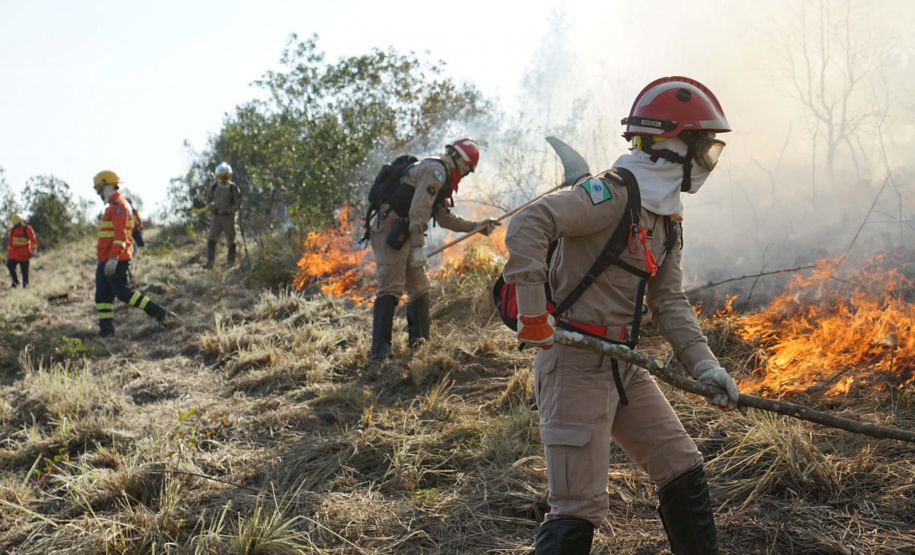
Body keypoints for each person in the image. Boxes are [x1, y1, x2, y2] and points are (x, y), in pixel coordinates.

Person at [503, 77, 740, 554]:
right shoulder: (609, 195)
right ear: (676, 145)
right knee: (577, 507)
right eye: (706, 149)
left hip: (623, 364)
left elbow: (669, 301)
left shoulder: (666, 219)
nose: (709, 162)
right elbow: (529, 223)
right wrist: (533, 311)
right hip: (572, 362)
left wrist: (705, 365)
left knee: (682, 467)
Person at [369, 138, 499, 360]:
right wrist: (418, 246)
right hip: (390, 230)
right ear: (459, 160)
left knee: (419, 287)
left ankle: (420, 345)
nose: (466, 174)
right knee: (391, 286)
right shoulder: (435, 172)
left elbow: (444, 218)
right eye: (467, 169)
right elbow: (418, 213)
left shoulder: (442, 176)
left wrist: (476, 227)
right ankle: (380, 352)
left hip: (406, 232)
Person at [93, 171, 175, 337]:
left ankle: (161, 314)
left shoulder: (119, 206)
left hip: (115, 260)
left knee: (124, 293)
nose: (98, 194)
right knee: (102, 297)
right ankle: (106, 332)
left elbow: (121, 235)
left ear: (107, 185)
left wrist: (114, 258)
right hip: (105, 261)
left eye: (99, 189)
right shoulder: (113, 206)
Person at [205, 162, 242, 268]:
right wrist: (212, 208)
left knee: (231, 240)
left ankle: (230, 264)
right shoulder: (213, 188)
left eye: (225, 176)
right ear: (218, 176)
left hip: (229, 218)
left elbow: (237, 203)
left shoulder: (233, 188)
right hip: (216, 217)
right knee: (211, 238)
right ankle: (210, 263)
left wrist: (230, 210)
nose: (223, 178)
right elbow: (208, 201)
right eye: (221, 176)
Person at [6, 213, 37, 288]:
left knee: (24, 271)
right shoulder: (12, 230)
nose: (16, 226)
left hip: (24, 254)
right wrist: (8, 253)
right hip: (14, 254)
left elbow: (33, 240)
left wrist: (33, 251)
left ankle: (25, 286)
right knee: (10, 266)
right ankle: (15, 282)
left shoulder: (27, 229)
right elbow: (10, 242)